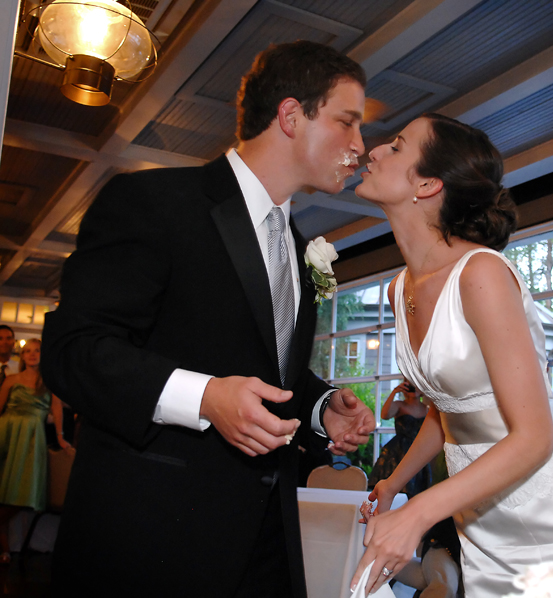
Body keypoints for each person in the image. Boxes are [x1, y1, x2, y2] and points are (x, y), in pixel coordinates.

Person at [41, 40, 376, 598]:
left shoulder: (297, 248)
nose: (360, 146)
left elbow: (254, 364)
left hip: (268, 543)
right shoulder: (154, 201)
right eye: (347, 123)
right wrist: (204, 399)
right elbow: (74, 349)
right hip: (154, 544)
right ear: (291, 116)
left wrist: (319, 405)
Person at [350, 113, 553, 596]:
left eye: (396, 147)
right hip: (482, 520)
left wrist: (419, 513)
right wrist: (394, 485)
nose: (374, 151)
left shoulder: (480, 273)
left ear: (427, 184)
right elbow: (448, 411)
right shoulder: (399, 289)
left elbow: (534, 438)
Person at [0, 339, 70, 564]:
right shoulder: (11, 380)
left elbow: (57, 408)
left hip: (30, 441)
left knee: (20, 493)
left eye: (37, 350)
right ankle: (5, 549)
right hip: (7, 437)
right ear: (22, 356)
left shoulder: (49, 383)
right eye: (27, 351)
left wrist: (60, 437)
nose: (32, 354)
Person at [369, 379, 431, 496]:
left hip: (418, 450)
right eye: (410, 385)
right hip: (397, 451)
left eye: (416, 385)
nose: (413, 387)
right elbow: (384, 415)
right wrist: (394, 392)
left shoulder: (427, 409)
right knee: (395, 488)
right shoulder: (399, 405)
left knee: (417, 489)